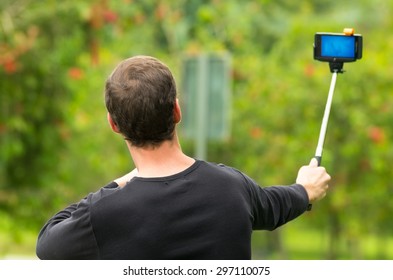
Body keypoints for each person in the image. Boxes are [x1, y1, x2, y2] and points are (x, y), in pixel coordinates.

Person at [36, 55, 331, 260]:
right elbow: (275, 205)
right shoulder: (232, 187)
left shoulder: (102, 215)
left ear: (114, 125)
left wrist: (119, 184)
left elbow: (47, 243)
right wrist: (305, 189)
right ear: (177, 111)